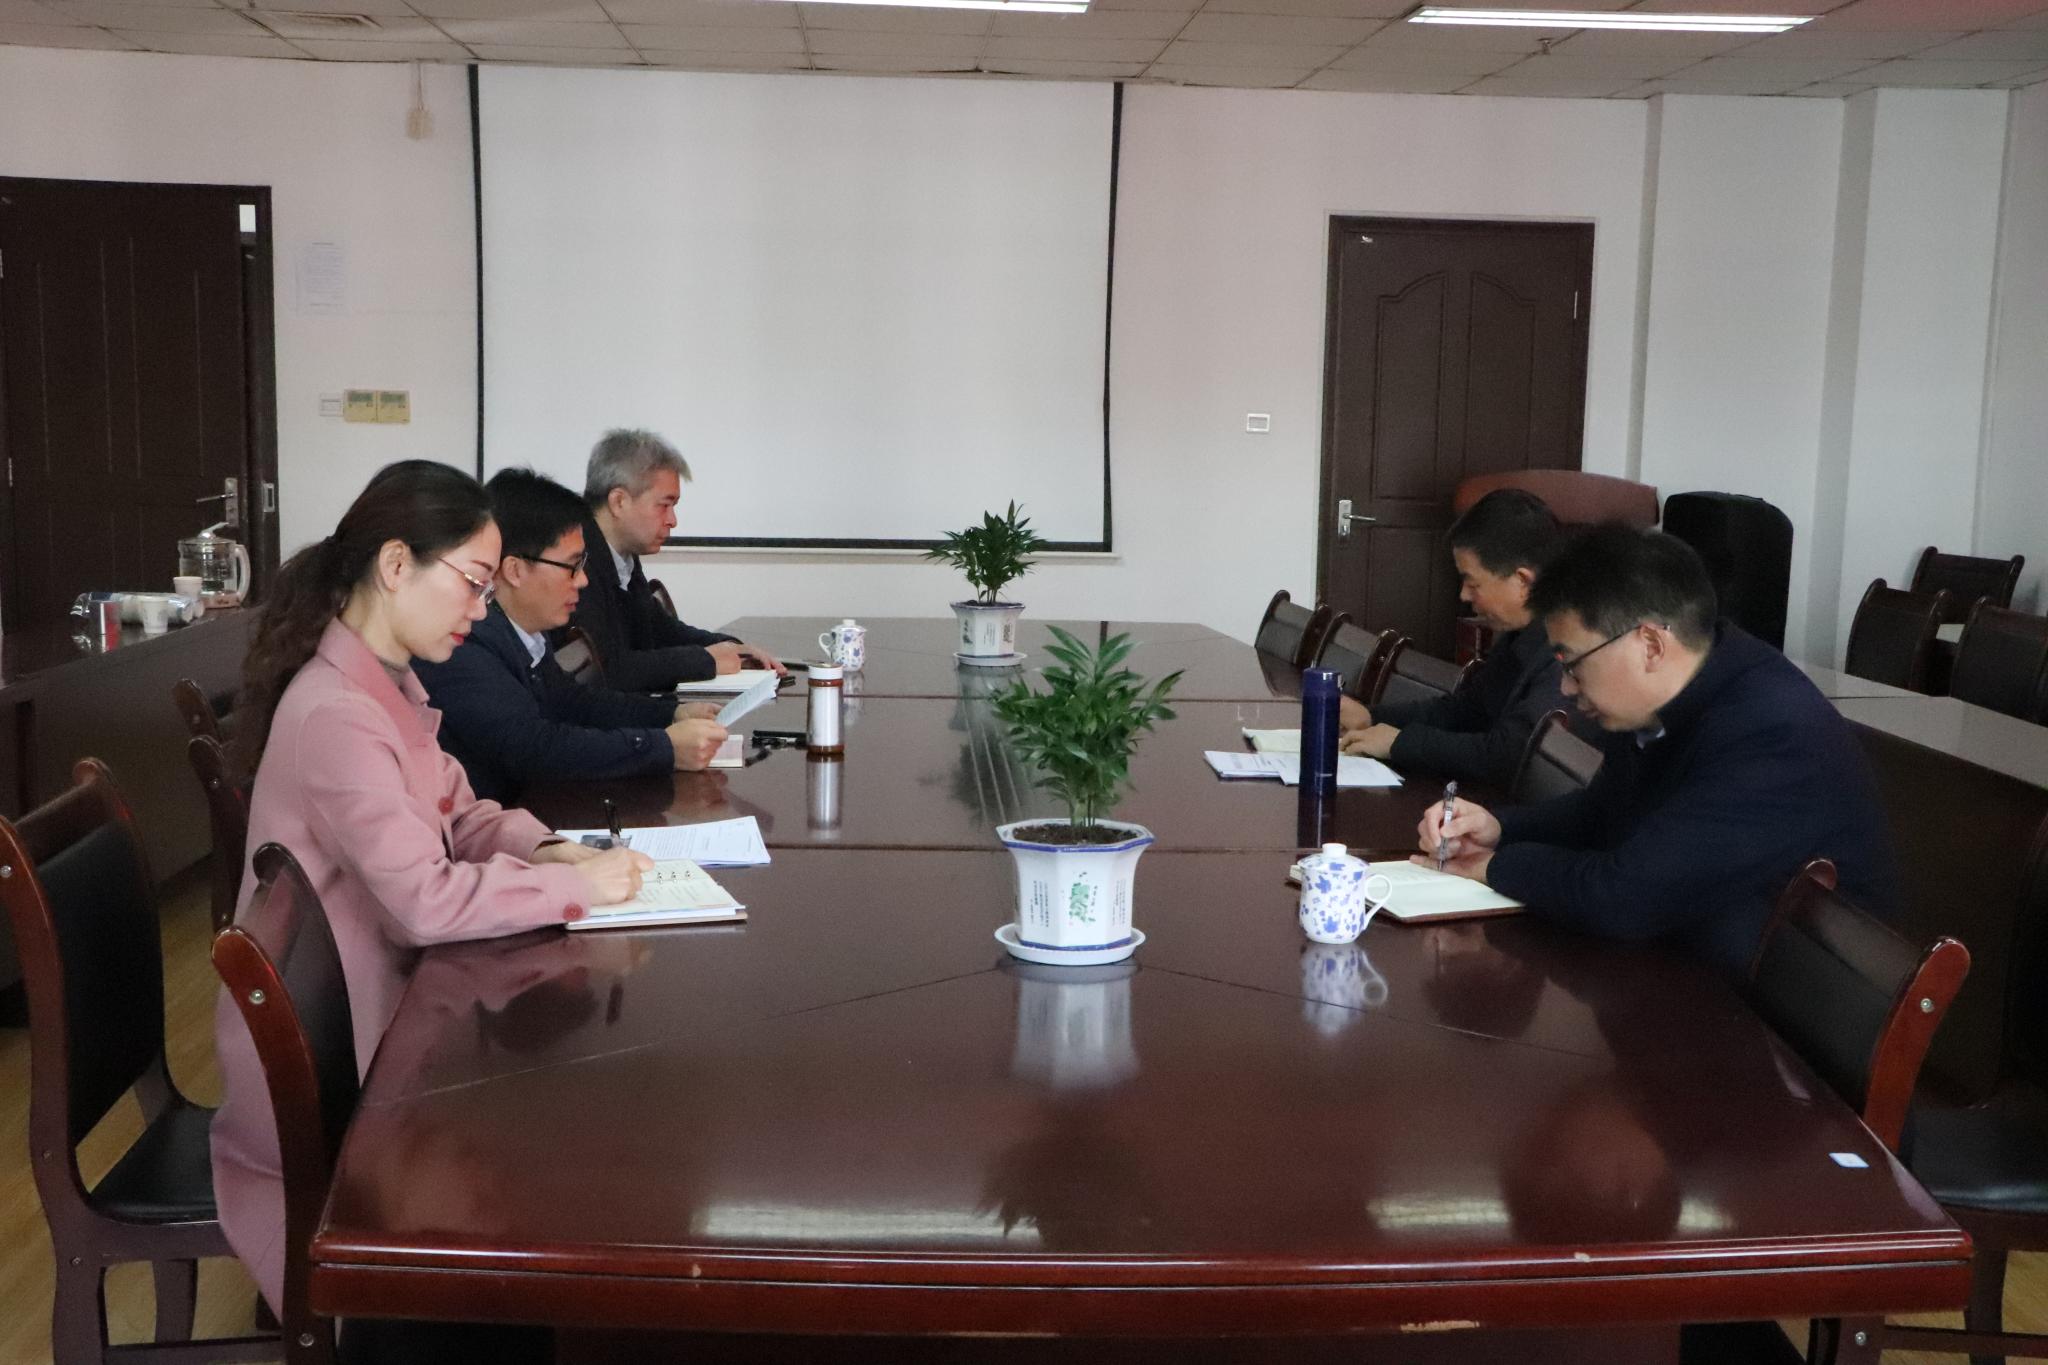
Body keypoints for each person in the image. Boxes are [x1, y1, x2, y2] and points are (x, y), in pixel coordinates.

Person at [211, 459, 654, 1319]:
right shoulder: (337, 712)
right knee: (554, 1158)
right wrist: (575, 891)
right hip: (324, 1079)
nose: (482, 609)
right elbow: (426, 901)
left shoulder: (387, 684)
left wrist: (552, 847)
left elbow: (464, 810)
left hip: (379, 1027)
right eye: (474, 582)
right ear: (396, 565)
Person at [1415, 524, 1902, 977]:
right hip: (1691, 957)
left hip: (1784, 1005)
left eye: (1573, 663)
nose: (1565, 687)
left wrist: (1491, 867)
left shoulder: (1772, 730)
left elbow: (1624, 897)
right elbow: (1604, 812)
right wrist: (1498, 829)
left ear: (1649, 644)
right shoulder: (1673, 691)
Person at [413, 467, 730, 805]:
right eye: (572, 566)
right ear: (515, 570)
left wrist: (671, 715)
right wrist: (663, 748)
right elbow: (532, 748)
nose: (582, 580)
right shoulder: (466, 642)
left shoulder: (523, 632)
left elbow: (573, 702)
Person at [1338, 489, 1578, 784]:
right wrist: (1372, 717)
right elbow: (1467, 711)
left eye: (1472, 583)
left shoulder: (1566, 651)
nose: (1464, 595)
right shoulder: (1519, 634)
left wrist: (1401, 743)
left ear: (1522, 581)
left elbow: (1509, 754)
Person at [564, 428, 785, 689]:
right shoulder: (576, 565)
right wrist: (704, 660)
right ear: (619, 501)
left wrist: (732, 648)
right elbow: (609, 670)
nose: (672, 520)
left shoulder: (622, 555)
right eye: (664, 505)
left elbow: (663, 631)